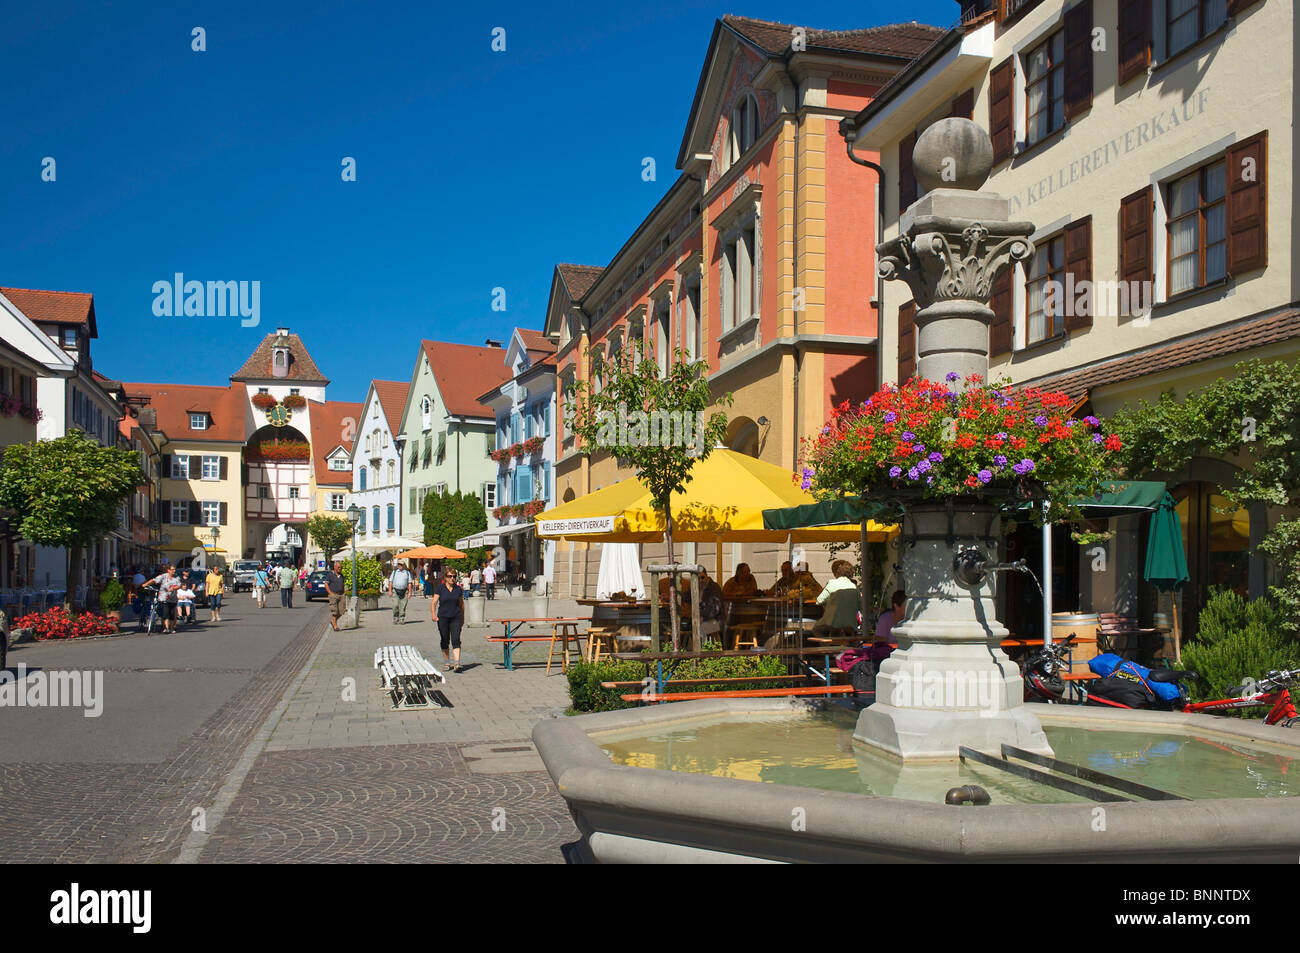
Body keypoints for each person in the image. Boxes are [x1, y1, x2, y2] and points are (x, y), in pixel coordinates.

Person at [431, 567, 466, 672]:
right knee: (445, 640)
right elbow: (434, 602)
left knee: (456, 639)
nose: (452, 578)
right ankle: (447, 662)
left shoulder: (458, 589)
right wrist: (433, 615)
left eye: (454, 576)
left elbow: (461, 604)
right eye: (450, 576)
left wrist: (463, 618)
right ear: (445, 577)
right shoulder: (440, 588)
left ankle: (457, 663)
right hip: (443, 617)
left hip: (456, 617)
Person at [813, 560, 860, 638]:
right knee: (836, 631)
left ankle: (828, 647)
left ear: (837, 573)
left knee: (817, 630)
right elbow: (861, 606)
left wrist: (829, 603)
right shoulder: (854, 587)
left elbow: (819, 601)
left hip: (833, 622)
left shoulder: (832, 583)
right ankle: (837, 646)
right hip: (851, 623)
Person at [870, 590, 906, 665]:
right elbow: (880, 643)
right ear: (896, 606)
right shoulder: (885, 619)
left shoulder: (910, 620)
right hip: (888, 658)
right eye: (906, 604)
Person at [144, 564, 181, 634]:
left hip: (173, 598)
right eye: (172, 569)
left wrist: (173, 588)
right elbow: (154, 580)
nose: (174, 571)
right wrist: (145, 584)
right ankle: (166, 628)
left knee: (172, 614)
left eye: (174, 569)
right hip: (164, 598)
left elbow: (179, 585)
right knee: (166, 614)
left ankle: (171, 628)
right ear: (168, 570)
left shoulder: (177, 577)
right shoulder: (163, 576)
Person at [692, 569, 725, 639]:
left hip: (716, 620)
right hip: (701, 619)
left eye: (702, 577)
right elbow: (685, 597)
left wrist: (703, 617)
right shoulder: (696, 588)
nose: (700, 580)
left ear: (707, 576)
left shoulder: (714, 587)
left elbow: (716, 608)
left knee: (700, 629)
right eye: (698, 579)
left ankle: (704, 648)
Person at [390, 560, 413, 624]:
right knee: (395, 605)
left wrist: (410, 592)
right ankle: (395, 618)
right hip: (395, 590)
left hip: (404, 591)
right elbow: (390, 581)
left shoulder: (407, 573)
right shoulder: (394, 572)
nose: (399, 565)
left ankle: (401, 619)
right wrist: (389, 591)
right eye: (398, 564)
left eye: (401, 564)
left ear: (404, 565)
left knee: (403, 606)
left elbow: (409, 583)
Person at [325, 561, 346, 630]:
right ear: (334, 567)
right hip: (333, 595)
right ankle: (335, 626)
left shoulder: (342, 575)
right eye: (338, 567)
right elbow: (326, 584)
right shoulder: (330, 575)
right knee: (335, 611)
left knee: (341, 611)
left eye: (341, 567)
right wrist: (330, 593)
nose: (340, 568)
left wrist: (344, 593)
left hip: (341, 595)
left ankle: (333, 621)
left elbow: (343, 584)